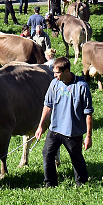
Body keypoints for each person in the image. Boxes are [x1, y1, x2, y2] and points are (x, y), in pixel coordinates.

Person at [35, 56, 93, 188]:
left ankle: (82, 183)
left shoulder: (82, 87)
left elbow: (88, 114)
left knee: (76, 157)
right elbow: (47, 105)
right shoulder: (54, 84)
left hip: (72, 131)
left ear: (66, 71)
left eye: (57, 73)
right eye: (54, 73)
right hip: (55, 128)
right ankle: (50, 183)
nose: (54, 75)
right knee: (47, 154)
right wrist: (40, 126)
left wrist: (88, 137)